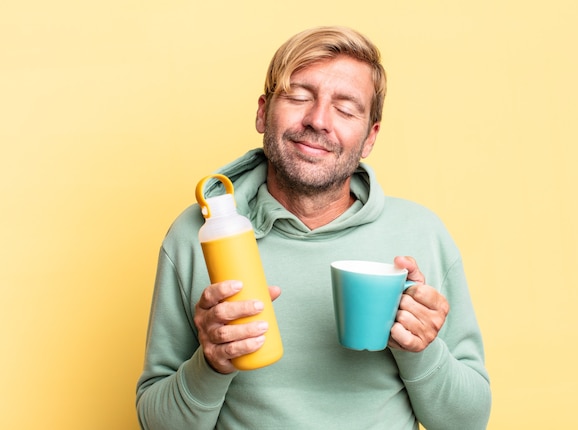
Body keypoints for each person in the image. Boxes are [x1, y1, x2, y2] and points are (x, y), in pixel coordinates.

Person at [136, 26, 491, 429]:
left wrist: (420, 350)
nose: (318, 120)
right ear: (262, 111)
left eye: (345, 108)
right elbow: (157, 422)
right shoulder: (197, 235)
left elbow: (468, 422)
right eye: (299, 95)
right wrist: (212, 364)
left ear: (370, 137)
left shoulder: (422, 234)